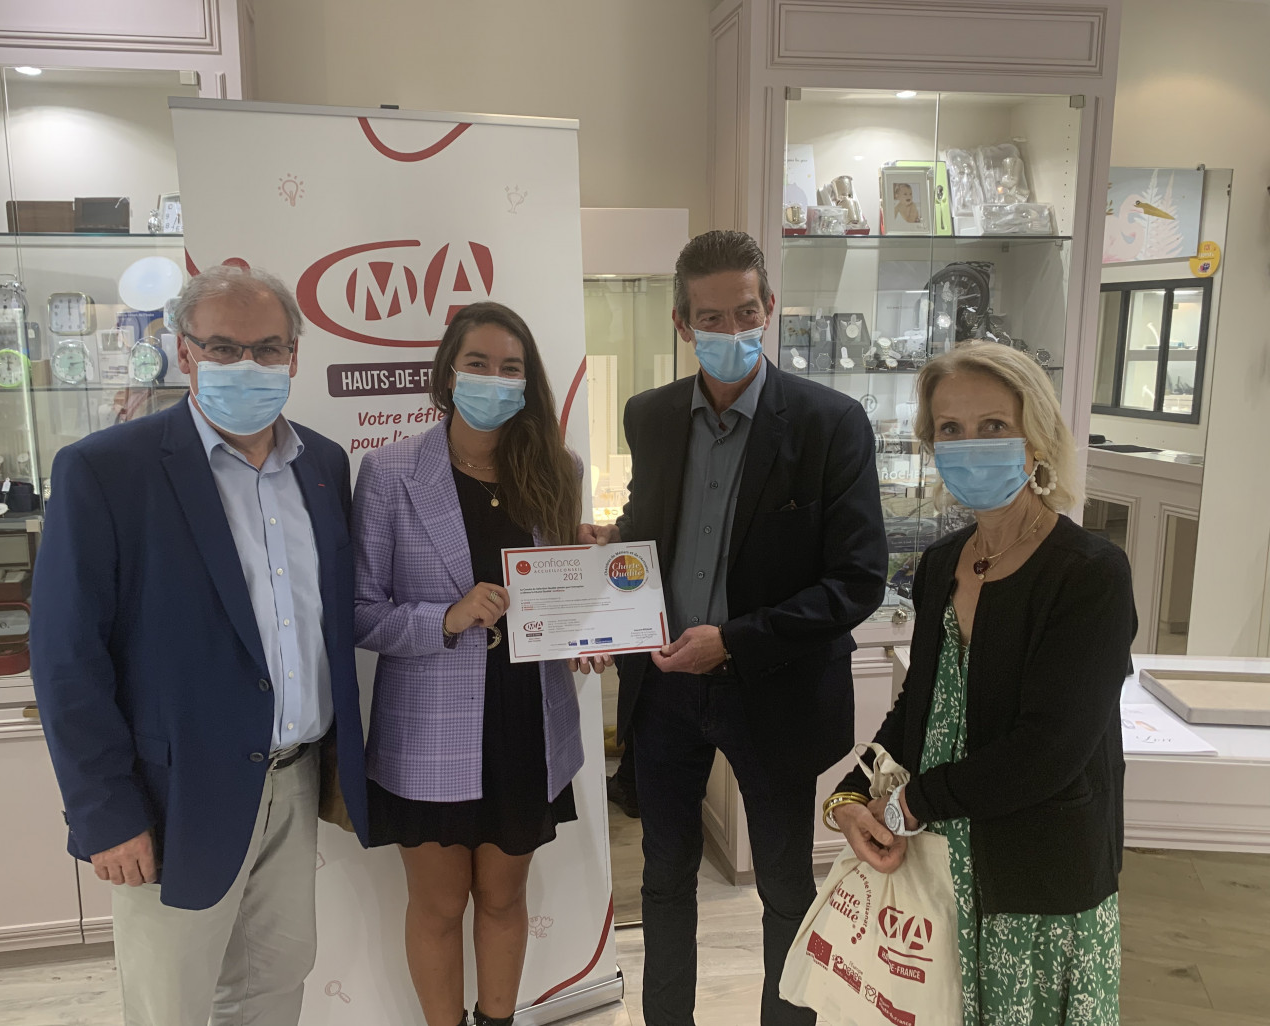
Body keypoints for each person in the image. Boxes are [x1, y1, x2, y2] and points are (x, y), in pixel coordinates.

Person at [30, 265, 368, 1026]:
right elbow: (65, 657)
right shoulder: (105, 470)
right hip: (171, 795)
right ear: (185, 354)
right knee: (171, 1003)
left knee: (274, 988)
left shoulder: (321, 465)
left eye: (267, 348)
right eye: (223, 348)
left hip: (297, 777)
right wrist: (103, 811)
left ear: (294, 355)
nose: (246, 366)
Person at [581, 230, 889, 1026]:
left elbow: (856, 581)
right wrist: (609, 557)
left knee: (785, 884)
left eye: (745, 312)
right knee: (663, 878)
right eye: (710, 318)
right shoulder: (648, 416)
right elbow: (649, 525)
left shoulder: (831, 423)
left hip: (774, 691)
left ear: (769, 309)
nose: (730, 332)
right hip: (665, 691)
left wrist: (736, 639)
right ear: (682, 323)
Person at [826, 341, 1135, 1025]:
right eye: (951, 429)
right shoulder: (941, 564)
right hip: (940, 870)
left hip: (1038, 881)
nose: (971, 445)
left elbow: (1049, 751)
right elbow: (922, 704)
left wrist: (911, 804)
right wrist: (853, 792)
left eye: (994, 426)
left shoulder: (1088, 572)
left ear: (1037, 435)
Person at [351, 301, 605, 1026]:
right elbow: (362, 614)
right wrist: (448, 618)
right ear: (447, 373)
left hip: (527, 717)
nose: (495, 380)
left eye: (512, 369)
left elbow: (560, 594)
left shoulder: (556, 470)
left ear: (529, 383)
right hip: (427, 727)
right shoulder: (391, 472)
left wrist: (585, 633)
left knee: (503, 898)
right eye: (479, 364)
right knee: (438, 905)